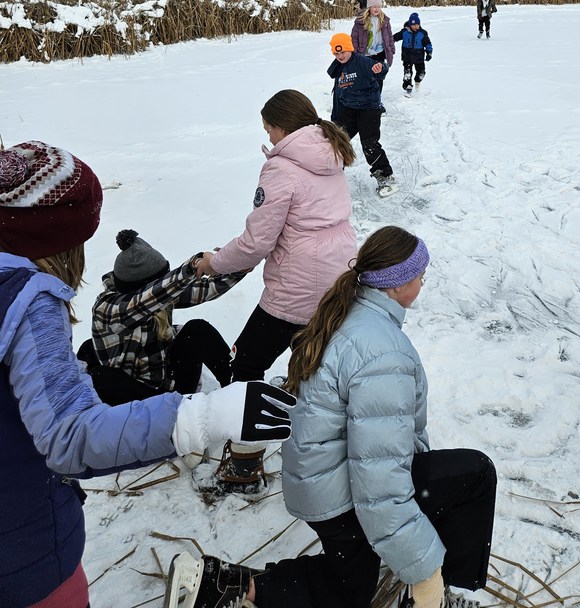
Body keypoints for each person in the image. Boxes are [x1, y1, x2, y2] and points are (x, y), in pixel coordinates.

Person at [0, 139, 295, 608]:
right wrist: (203, 417)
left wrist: (244, 257)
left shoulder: (149, 297)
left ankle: (241, 380)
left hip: (162, 379)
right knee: (95, 370)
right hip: (136, 392)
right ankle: (207, 410)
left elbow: (204, 289)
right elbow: (69, 435)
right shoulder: (112, 307)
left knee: (194, 327)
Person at [165, 226, 495, 608]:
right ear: (395, 284)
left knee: (347, 590)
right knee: (475, 474)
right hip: (343, 495)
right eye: (419, 274)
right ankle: (443, 593)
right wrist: (425, 574)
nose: (423, 281)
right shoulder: (383, 353)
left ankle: (222, 584)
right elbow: (379, 479)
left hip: (318, 484)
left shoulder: (350, 311)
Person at [195, 89, 357, 491]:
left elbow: (256, 243)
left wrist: (213, 263)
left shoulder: (283, 168)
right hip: (337, 282)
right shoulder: (329, 151)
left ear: (283, 126)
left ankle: (244, 465)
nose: (267, 138)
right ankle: (323, 449)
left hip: (296, 289)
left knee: (247, 366)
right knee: (312, 362)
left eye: (268, 129)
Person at [76, 228, 247, 406]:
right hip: (136, 402)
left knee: (197, 330)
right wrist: (194, 266)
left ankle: (240, 389)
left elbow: (201, 290)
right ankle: (163, 424)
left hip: (170, 387)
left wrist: (237, 265)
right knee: (102, 378)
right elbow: (148, 298)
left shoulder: (160, 297)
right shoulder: (109, 308)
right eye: (160, 282)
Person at [328, 33, 396, 197]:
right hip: (348, 109)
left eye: (343, 52)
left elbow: (380, 68)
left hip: (369, 109)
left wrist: (381, 68)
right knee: (337, 141)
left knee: (369, 144)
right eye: (336, 54)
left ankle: (385, 176)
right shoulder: (338, 67)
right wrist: (336, 119)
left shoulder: (362, 61)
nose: (340, 56)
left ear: (350, 48)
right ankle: (333, 175)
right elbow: (338, 92)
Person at [351, 0, 395, 89]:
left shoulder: (385, 20)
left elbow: (389, 36)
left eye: (379, 6)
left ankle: (377, 100)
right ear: (369, 7)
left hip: (380, 53)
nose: (377, 9)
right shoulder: (360, 22)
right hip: (366, 54)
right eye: (374, 6)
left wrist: (391, 49)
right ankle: (367, 100)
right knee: (367, 78)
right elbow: (354, 38)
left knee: (379, 78)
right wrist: (355, 52)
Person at [392, 12, 433, 94]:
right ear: (410, 24)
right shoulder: (404, 32)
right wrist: (388, 44)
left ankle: (417, 80)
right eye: (414, 25)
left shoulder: (422, 33)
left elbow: (428, 44)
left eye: (417, 24)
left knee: (421, 73)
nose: (416, 26)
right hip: (407, 57)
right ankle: (408, 88)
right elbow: (393, 38)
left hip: (419, 57)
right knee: (407, 74)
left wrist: (429, 53)